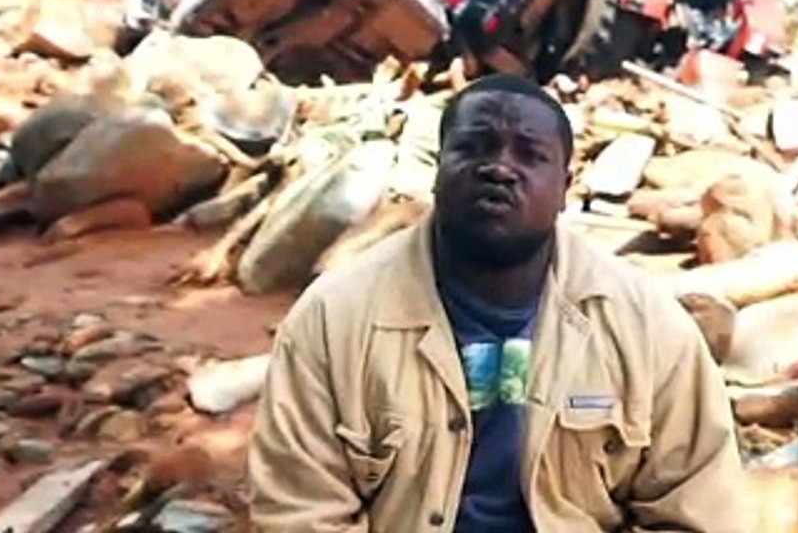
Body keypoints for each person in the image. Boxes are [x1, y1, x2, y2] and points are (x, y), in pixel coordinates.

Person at [247, 73, 746, 532]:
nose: (500, 168)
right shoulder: (334, 318)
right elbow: (300, 512)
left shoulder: (647, 327)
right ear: (437, 170)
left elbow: (698, 508)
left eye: (530, 155)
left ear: (565, 189)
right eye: (473, 147)